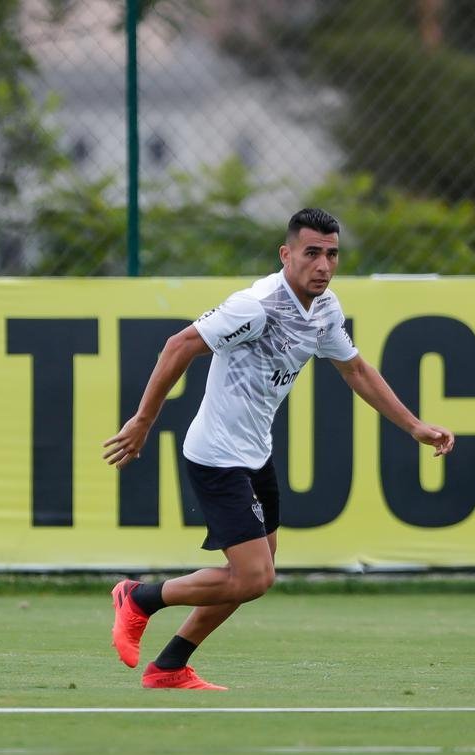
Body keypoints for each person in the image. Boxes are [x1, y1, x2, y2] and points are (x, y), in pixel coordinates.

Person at [102, 208, 455, 690]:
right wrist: (143, 421)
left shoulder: (326, 307)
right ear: (286, 255)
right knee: (254, 578)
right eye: (312, 253)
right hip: (217, 455)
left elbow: (355, 370)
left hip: (255, 454)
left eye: (332, 255)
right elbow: (179, 344)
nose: (324, 266)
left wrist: (413, 426)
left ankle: (169, 667)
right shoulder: (256, 306)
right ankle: (139, 597)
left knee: (251, 575)